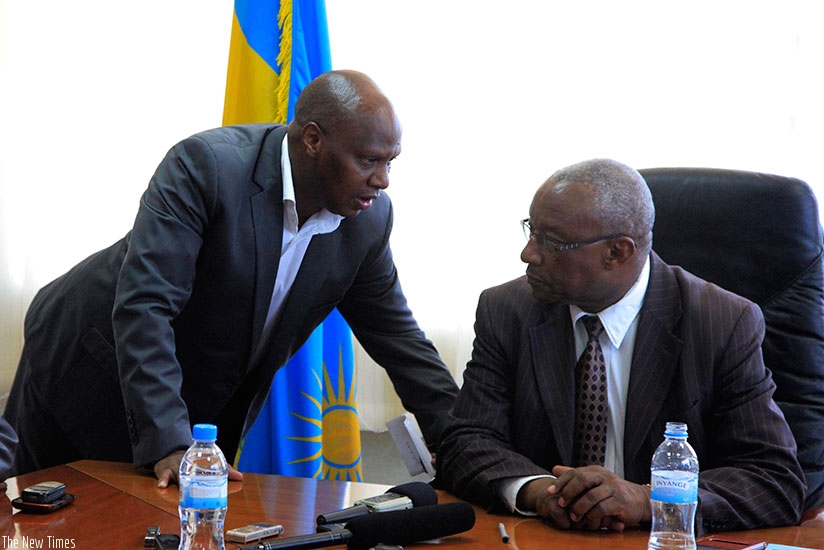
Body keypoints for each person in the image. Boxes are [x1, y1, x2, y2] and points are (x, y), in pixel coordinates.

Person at [5, 70, 458, 486]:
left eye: (390, 162)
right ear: (314, 140)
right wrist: (169, 441)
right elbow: (146, 306)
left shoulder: (367, 221)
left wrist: (464, 443)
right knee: (34, 520)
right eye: (367, 160)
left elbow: (399, 339)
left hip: (185, 397)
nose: (382, 181)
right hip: (86, 359)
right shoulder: (205, 168)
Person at [436, 158, 805, 533]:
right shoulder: (507, 310)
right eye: (532, 230)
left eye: (552, 242)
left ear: (617, 252)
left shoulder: (722, 322)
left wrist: (646, 499)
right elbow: (466, 442)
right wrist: (542, 492)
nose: (528, 253)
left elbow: (773, 480)